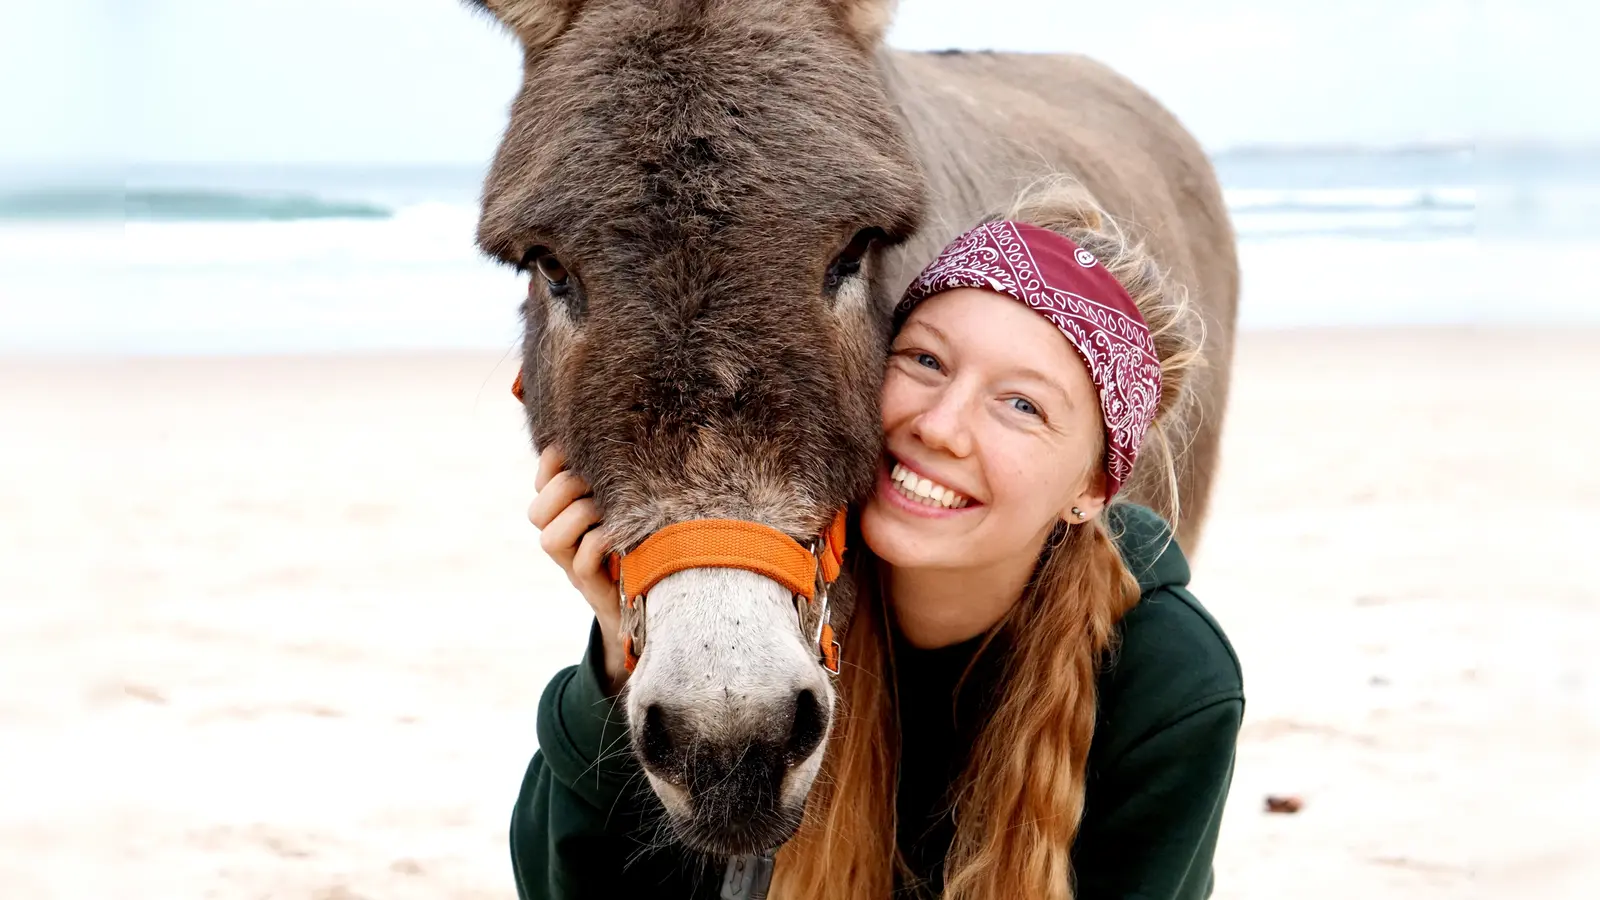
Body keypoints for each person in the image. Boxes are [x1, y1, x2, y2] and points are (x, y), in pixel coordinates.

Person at [516, 179, 1244, 899]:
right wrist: (618, 656)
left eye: (1022, 405)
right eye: (926, 361)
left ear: (1092, 489)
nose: (940, 426)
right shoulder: (761, 588)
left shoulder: (1170, 682)